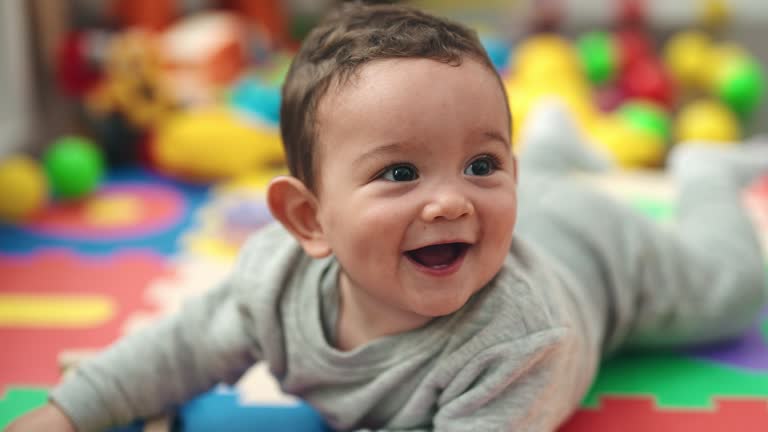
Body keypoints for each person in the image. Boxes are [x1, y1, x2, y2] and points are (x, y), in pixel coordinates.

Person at [7, 3, 768, 431]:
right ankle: (556, 149)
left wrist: (486, 177)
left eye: (481, 164)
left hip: (605, 254)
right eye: (399, 172)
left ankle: (700, 173)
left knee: (736, 291)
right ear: (309, 221)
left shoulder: (520, 339)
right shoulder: (274, 284)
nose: (450, 200)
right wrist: (71, 414)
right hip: (541, 207)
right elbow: (174, 351)